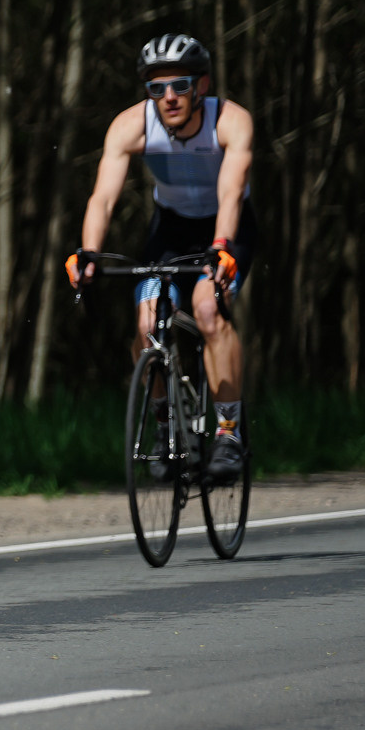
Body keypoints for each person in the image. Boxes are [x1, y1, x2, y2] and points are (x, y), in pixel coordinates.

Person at [65, 33, 259, 479]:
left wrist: (222, 249)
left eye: (180, 85)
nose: (168, 97)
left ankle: (228, 434)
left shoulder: (231, 122)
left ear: (202, 86)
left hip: (225, 228)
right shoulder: (129, 126)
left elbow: (231, 192)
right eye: (156, 88)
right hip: (170, 229)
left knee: (208, 311)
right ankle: (167, 431)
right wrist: (88, 253)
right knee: (147, 323)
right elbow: (103, 198)